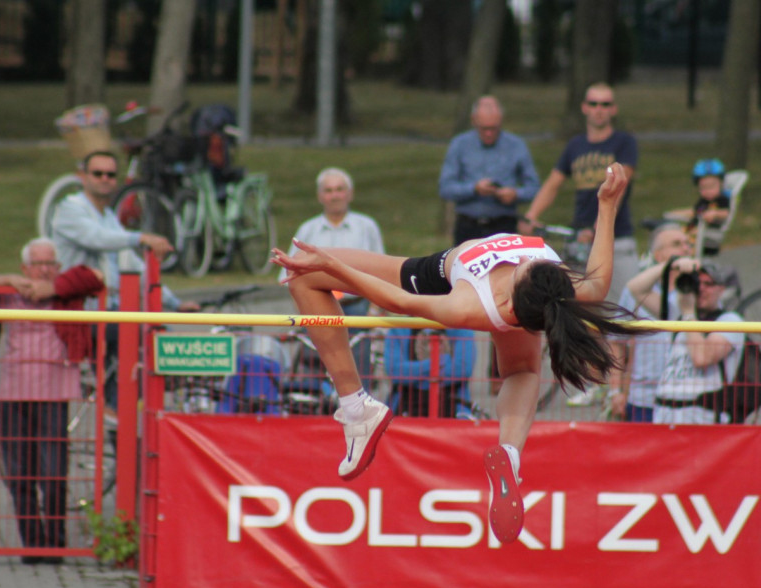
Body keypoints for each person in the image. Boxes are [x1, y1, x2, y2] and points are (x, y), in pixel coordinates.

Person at [271, 162, 641, 545]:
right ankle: (511, 454)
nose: (527, 259)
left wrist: (335, 266)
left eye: (525, 267)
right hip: (520, 308)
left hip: (441, 277)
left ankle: (356, 409)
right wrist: (608, 206)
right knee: (522, 371)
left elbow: (399, 301)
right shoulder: (560, 287)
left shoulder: (466, 305)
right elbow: (598, 279)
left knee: (303, 276)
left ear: (512, 296)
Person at [0, 238, 105, 563]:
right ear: (25, 267)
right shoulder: (10, 292)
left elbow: (98, 277)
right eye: (38, 264)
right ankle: (32, 544)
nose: (44, 269)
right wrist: (7, 279)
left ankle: (54, 545)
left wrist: (54, 287)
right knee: (19, 473)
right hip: (14, 391)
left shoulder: (66, 290)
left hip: (54, 391)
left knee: (54, 472)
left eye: (51, 263)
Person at [50, 150, 200, 411]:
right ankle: (173, 379)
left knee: (122, 384)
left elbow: (137, 268)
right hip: (81, 314)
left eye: (110, 174)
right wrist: (140, 238)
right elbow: (95, 238)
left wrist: (175, 303)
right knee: (147, 331)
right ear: (82, 176)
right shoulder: (70, 209)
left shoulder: (109, 217)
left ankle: (123, 427)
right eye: (98, 173)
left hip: (110, 312)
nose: (105, 179)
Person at [524, 82, 639, 305]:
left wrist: (599, 226)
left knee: (623, 306)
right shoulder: (575, 145)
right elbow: (553, 183)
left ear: (613, 109)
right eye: (594, 103)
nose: (599, 109)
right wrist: (531, 215)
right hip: (579, 238)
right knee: (577, 306)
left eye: (605, 104)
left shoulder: (624, 142)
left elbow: (620, 187)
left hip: (616, 236)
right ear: (584, 107)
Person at [628, 257, 745, 425]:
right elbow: (636, 289)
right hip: (665, 416)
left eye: (708, 284)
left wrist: (689, 313)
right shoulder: (679, 314)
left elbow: (702, 358)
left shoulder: (730, 320)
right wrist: (670, 265)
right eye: (697, 283)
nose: (701, 289)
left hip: (703, 418)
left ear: (721, 289)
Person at [608, 224, 692, 422]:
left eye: (688, 244)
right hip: (643, 399)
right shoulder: (634, 292)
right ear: (659, 255)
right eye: (677, 244)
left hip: (687, 397)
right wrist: (615, 391)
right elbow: (616, 342)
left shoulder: (700, 291)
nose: (685, 249)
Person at [280, 167, 385, 318]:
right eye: (328, 191)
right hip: (317, 310)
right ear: (319, 196)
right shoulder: (307, 229)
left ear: (350, 193)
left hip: (359, 308)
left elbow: (380, 272)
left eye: (339, 189)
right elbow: (290, 275)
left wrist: (374, 311)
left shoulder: (367, 227)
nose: (334, 196)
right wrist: (304, 314)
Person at [438, 96, 541, 246]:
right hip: (468, 227)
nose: (489, 133)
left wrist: (515, 194)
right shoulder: (460, 145)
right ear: (474, 121)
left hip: (504, 226)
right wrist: (474, 189)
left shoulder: (516, 145)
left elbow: (535, 188)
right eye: (484, 128)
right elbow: (445, 188)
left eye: (494, 128)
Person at [384, 328, 476, 419]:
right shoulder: (398, 330)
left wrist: (414, 376)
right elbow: (395, 371)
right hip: (406, 406)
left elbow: (463, 369)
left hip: (453, 406)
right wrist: (440, 360)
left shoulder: (461, 329)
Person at [662, 158, 731, 253]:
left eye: (711, 186)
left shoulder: (721, 200)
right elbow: (694, 211)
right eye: (703, 188)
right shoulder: (703, 201)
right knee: (670, 235)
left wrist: (715, 213)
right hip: (692, 228)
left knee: (683, 239)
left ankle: (687, 257)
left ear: (721, 184)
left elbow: (725, 213)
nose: (708, 191)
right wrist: (675, 213)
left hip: (708, 233)